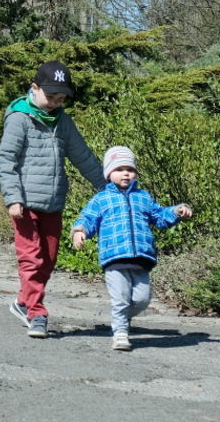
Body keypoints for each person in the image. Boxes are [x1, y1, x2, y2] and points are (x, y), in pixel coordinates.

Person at [0, 60, 103, 339]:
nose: (56, 102)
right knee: (31, 259)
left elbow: (83, 156)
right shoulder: (20, 117)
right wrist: (13, 198)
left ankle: (22, 302)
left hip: (53, 203)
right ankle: (37, 313)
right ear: (35, 88)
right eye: (51, 96)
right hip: (24, 204)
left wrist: (108, 187)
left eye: (61, 97)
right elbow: (6, 160)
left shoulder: (62, 121)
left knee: (49, 259)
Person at [72, 146, 193, 351]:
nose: (126, 173)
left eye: (130, 169)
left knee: (142, 299)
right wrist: (80, 230)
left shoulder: (143, 197)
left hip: (141, 257)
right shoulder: (101, 199)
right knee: (120, 298)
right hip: (114, 258)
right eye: (119, 169)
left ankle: (120, 318)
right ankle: (120, 333)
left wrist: (176, 211)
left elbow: (159, 217)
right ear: (109, 174)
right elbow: (88, 218)